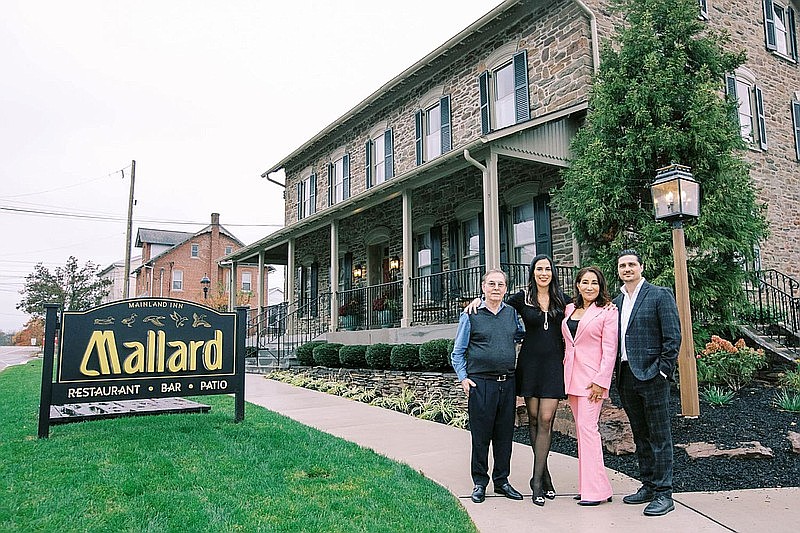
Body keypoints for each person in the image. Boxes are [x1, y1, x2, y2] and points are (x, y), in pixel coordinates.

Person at [465, 254, 569, 506]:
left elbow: (586, 309)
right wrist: (475, 302)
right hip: (530, 366)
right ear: (532, 272)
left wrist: (607, 306)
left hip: (553, 366)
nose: (543, 273)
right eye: (539, 269)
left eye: (547, 269)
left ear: (552, 272)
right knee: (533, 420)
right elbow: (495, 301)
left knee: (546, 419)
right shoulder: (521, 299)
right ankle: (543, 475)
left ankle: (537, 479)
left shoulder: (563, 300)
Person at [613, 250, 681, 516]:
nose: (627, 268)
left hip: (652, 376)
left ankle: (665, 493)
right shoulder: (617, 302)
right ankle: (649, 485)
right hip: (626, 376)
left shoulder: (659, 295)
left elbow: (672, 337)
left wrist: (662, 371)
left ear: (641, 267)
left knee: (659, 436)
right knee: (640, 435)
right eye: (622, 265)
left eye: (631, 264)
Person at [451, 269, 524, 504]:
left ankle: (502, 481)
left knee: (504, 436)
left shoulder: (512, 314)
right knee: (481, 437)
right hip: (480, 384)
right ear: (483, 287)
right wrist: (463, 377)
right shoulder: (470, 315)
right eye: (491, 284)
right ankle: (480, 483)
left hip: (507, 383)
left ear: (505, 289)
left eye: (500, 284)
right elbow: (458, 352)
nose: (496, 288)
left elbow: (522, 335)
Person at [562, 266, 618, 506]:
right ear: (578, 285)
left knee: (588, 431)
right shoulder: (569, 309)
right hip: (571, 378)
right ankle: (591, 487)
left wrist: (601, 382)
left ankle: (595, 492)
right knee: (582, 433)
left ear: (600, 285)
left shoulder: (607, 311)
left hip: (592, 382)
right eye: (585, 282)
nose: (589, 287)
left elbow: (610, 349)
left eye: (594, 283)